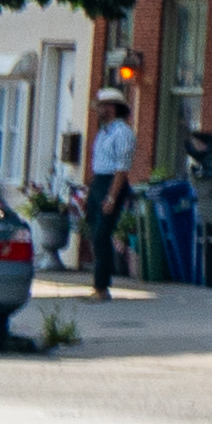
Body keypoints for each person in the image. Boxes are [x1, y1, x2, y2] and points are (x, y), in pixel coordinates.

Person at [81, 85, 138, 299]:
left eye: (103, 106)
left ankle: (102, 286)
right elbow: (98, 164)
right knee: (95, 234)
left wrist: (112, 197)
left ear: (112, 108)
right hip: (99, 182)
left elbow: (121, 169)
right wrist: (90, 193)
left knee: (102, 235)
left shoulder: (122, 133)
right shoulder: (102, 133)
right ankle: (98, 284)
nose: (99, 110)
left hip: (112, 183)